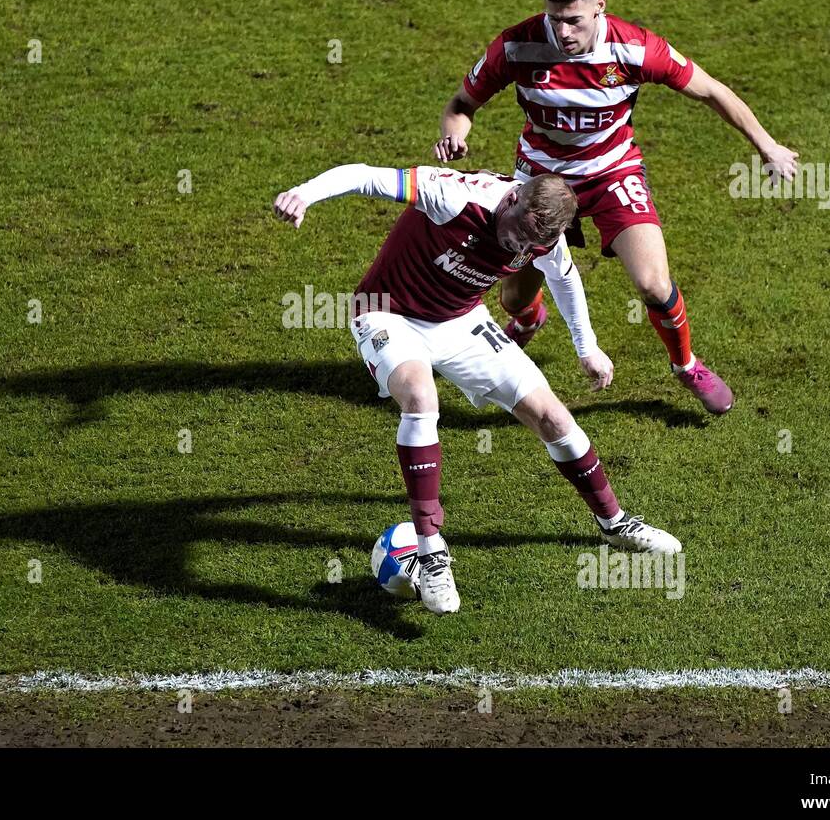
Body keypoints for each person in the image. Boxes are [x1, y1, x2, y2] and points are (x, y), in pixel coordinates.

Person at [273, 163, 681, 615]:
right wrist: (305, 193)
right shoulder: (451, 195)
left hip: (461, 321)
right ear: (512, 199)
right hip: (387, 313)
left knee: (553, 417)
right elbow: (365, 175)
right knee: (421, 399)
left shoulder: (542, 234)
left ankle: (614, 522)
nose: (519, 249)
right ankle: (431, 553)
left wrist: (587, 347)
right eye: (516, 236)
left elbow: (564, 278)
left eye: (530, 246)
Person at [435, 0, 800, 414]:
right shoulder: (516, 46)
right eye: (554, 19)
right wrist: (455, 135)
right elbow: (461, 103)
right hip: (540, 183)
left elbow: (711, 90)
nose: (563, 33)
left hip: (612, 172)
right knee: (512, 297)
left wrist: (766, 145)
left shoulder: (636, 48)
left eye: (573, 21)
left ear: (599, 6)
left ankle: (685, 366)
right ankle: (528, 319)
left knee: (652, 283)